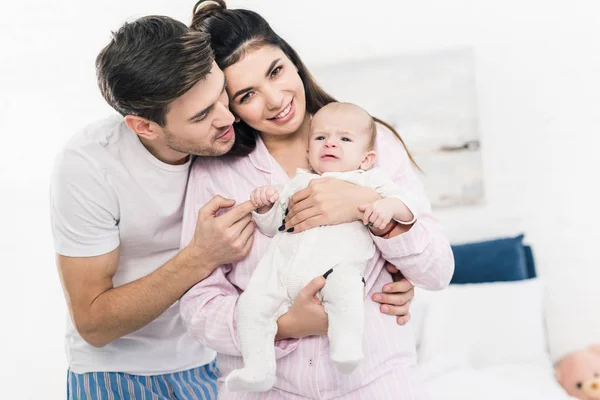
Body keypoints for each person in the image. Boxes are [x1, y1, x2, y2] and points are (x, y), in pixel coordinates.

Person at [180, 1, 455, 398]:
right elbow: (198, 304)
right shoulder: (215, 175)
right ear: (229, 108)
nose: (274, 99)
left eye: (276, 71)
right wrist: (286, 323)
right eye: (247, 94)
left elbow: (438, 271)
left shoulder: (371, 142)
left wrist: (366, 207)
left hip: (376, 383)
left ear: (292, 60)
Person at [50, 15, 257, 399]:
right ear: (144, 127)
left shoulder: (232, 129)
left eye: (221, 94)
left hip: (214, 361)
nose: (227, 118)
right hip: (115, 372)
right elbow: (93, 324)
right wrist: (200, 257)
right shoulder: (89, 165)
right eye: (201, 115)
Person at [229, 102, 422, 392]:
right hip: (282, 274)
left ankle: (346, 347)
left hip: (335, 270)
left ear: (367, 158)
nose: (330, 142)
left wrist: (386, 206)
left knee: (346, 291)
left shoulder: (368, 180)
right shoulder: (297, 183)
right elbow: (271, 227)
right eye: (320, 138)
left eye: (344, 139)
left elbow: (410, 208)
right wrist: (265, 206)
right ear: (308, 152)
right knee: (250, 306)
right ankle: (258, 369)